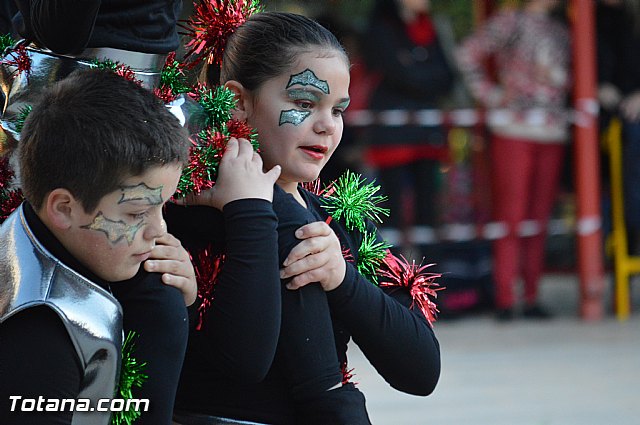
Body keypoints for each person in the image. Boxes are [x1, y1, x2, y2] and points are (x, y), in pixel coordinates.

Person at [168, 10, 441, 425]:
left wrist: (342, 279)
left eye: (338, 110)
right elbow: (241, 362)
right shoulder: (189, 210)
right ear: (239, 101)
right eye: (304, 103)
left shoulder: (339, 218)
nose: (327, 126)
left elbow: (422, 371)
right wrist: (254, 211)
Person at [0, 68, 189, 424]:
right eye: (137, 213)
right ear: (64, 209)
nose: (159, 229)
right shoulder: (40, 336)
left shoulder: (38, 233)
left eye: (162, 207)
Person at [456, 0, 571, 320]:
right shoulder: (510, 22)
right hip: (513, 128)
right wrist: (491, 94)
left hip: (552, 131)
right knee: (511, 215)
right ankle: (506, 297)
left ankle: (532, 296)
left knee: (539, 218)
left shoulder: (562, 30)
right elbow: (467, 53)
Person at [360, 0, 455, 250]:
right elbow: (395, 72)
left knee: (429, 207)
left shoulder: (433, 27)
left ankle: (431, 277)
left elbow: (448, 76)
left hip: (427, 131)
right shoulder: (380, 29)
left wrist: (414, 72)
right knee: (390, 208)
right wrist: (424, 77)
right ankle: (391, 275)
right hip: (392, 132)